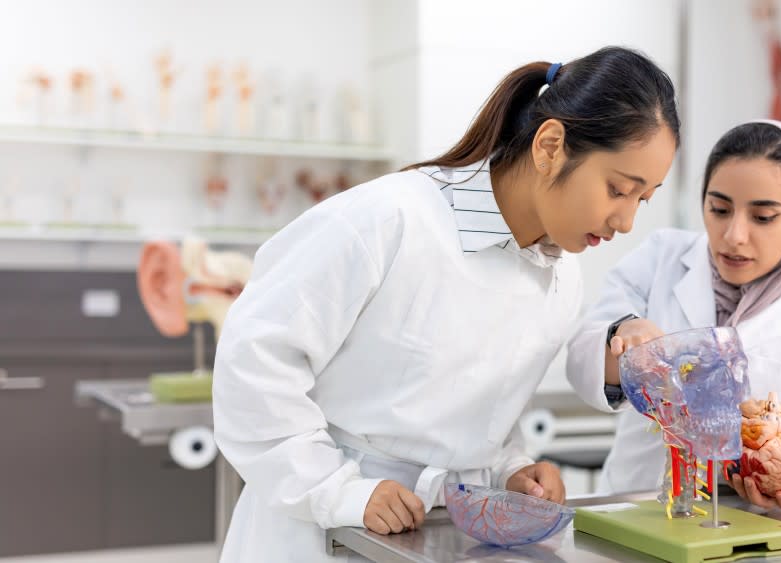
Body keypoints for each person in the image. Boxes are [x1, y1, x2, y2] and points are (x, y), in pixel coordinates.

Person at [211, 46, 680, 563]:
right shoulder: (388, 220)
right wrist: (339, 490)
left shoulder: (559, 278)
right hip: (316, 533)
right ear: (550, 146)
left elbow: (470, 412)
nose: (626, 221)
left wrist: (509, 469)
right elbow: (253, 364)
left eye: (644, 199)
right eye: (619, 189)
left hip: (440, 539)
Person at [566, 120, 781, 510]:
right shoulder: (661, 259)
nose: (733, 235)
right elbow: (584, 362)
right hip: (637, 505)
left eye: (763, 217)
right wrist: (624, 342)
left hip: (757, 522)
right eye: (719, 209)